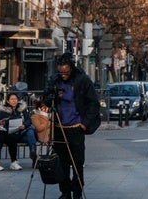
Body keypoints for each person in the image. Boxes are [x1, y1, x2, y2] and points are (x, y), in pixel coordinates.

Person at [44, 52, 101, 199]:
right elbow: (45, 98)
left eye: (66, 72)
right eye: (61, 72)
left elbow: (94, 103)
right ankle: (65, 192)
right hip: (59, 128)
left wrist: (84, 124)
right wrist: (54, 96)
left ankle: (77, 192)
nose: (63, 75)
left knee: (77, 163)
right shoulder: (55, 80)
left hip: (76, 128)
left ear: (71, 69)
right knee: (61, 163)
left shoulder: (82, 80)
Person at [0, 92, 38, 171]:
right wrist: (4, 123)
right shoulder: (4, 110)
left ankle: (21, 159)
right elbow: (0, 122)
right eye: (12, 99)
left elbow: (28, 120)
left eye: (15, 99)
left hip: (21, 132)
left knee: (30, 131)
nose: (14, 101)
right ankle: (33, 155)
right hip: (9, 132)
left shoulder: (21, 108)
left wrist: (23, 125)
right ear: (8, 101)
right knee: (20, 135)